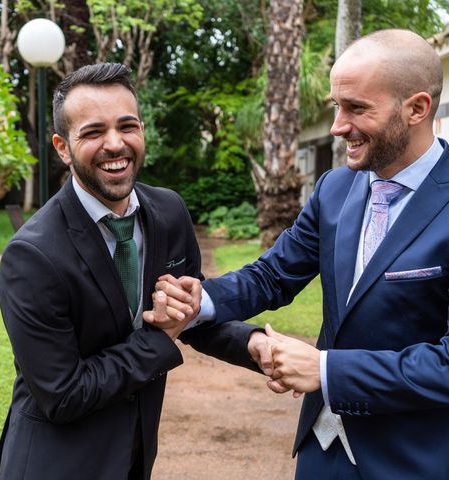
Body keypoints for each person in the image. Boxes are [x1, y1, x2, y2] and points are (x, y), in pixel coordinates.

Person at [147, 29, 449, 479]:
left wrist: (326, 370)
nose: (338, 126)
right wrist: (199, 301)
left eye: (357, 108)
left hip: (414, 461)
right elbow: (273, 275)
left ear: (417, 108)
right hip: (321, 451)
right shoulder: (335, 188)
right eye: (336, 106)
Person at [0, 63, 261, 480]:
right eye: (93, 132)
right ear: (62, 147)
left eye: (127, 126)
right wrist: (159, 337)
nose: (115, 144)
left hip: (135, 452)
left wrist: (255, 346)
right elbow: (63, 394)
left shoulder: (169, 211)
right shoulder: (32, 255)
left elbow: (189, 311)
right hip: (56, 461)